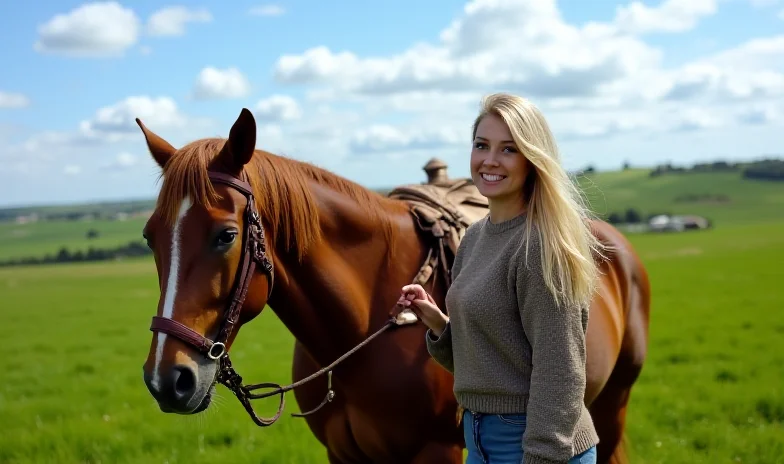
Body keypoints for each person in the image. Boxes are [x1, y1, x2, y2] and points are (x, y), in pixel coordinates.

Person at [397, 93, 606, 464]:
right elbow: (490, 363)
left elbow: (561, 371)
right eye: (481, 145)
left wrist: (540, 458)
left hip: (535, 444)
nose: (489, 160)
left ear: (532, 159)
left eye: (508, 149)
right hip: (479, 439)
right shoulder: (476, 236)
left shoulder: (540, 245)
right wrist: (440, 325)